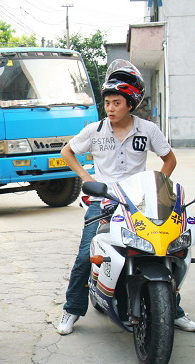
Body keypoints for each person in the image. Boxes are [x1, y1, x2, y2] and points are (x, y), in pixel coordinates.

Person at [56, 59, 195, 335]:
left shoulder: (148, 129)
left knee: (162, 249)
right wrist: (88, 179)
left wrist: (160, 186)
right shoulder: (94, 131)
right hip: (104, 201)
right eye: (107, 102)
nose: (110, 108)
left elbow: (169, 159)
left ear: (130, 103)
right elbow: (66, 152)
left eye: (116, 102)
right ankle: (72, 309)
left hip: (139, 201)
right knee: (87, 255)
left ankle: (173, 309)